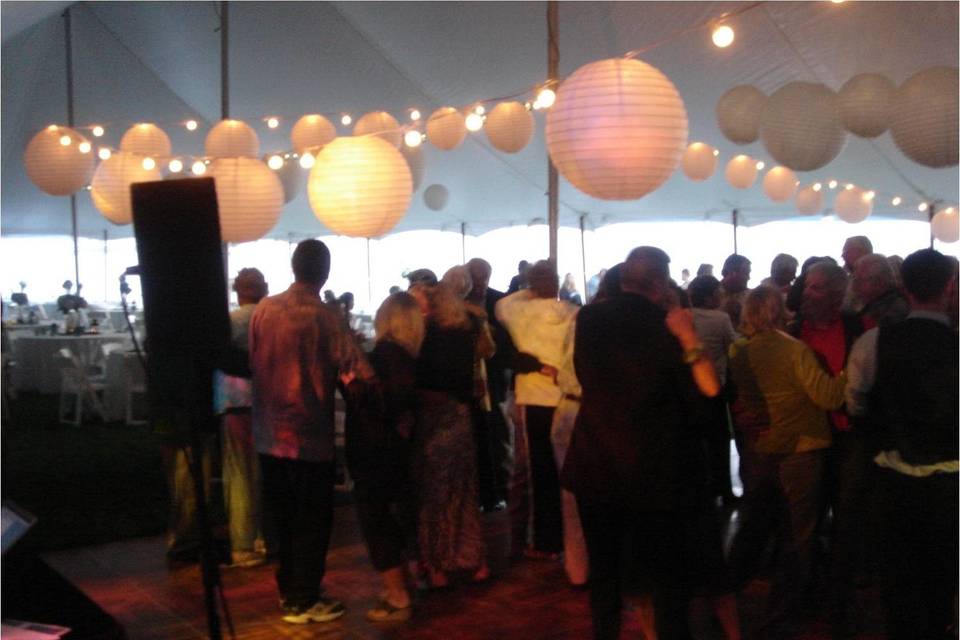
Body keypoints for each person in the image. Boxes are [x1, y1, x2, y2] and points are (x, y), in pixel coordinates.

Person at [562, 246, 722, 639]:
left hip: (596, 461)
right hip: (655, 469)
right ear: (660, 281)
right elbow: (703, 400)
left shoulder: (590, 317)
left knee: (605, 573)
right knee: (666, 577)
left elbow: (586, 375)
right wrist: (688, 338)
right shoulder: (668, 325)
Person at [249, 239, 373, 625]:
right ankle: (303, 599)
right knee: (312, 520)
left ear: (293, 266)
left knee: (281, 517)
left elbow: (252, 361)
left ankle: (289, 590)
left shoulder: (264, 310)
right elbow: (356, 375)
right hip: (308, 436)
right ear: (325, 271)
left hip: (268, 433)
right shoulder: (326, 317)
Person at [844, 248, 957, 639]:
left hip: (892, 481)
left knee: (899, 580)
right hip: (950, 485)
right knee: (944, 579)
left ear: (904, 288)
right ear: (950, 287)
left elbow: (855, 400)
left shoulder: (875, 342)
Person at [727, 286, 847, 636]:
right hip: (802, 449)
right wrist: (849, 373)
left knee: (757, 523)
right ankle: (782, 612)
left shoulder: (741, 351)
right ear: (779, 310)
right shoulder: (795, 350)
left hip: (762, 448)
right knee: (799, 533)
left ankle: (726, 592)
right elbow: (827, 397)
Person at [345, 292, 423, 622]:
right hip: (395, 449)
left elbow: (384, 402)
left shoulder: (386, 354)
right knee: (395, 516)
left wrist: (352, 385)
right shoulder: (406, 356)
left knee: (376, 519)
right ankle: (404, 581)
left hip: (374, 449)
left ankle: (397, 592)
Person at [496, 260, 578, 561]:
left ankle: (545, 541)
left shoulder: (518, 312)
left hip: (533, 399)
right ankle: (573, 540)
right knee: (568, 470)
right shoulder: (573, 314)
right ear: (556, 282)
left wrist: (530, 290)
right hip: (566, 397)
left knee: (540, 473)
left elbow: (502, 304)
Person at [413, 278, 489, 588]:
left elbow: (420, 380)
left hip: (434, 418)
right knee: (464, 490)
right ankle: (473, 558)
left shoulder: (427, 335)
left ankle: (436, 564)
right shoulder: (467, 330)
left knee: (434, 493)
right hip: (462, 414)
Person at [216, 268, 269, 569]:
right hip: (266, 402)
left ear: (237, 290)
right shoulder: (268, 319)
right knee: (262, 472)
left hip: (234, 403)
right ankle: (261, 537)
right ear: (263, 288)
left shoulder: (231, 322)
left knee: (239, 475)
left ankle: (243, 543)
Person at [688, 275, 738, 507]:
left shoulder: (685, 317)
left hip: (690, 388)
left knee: (698, 443)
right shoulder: (720, 318)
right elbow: (734, 347)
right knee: (719, 442)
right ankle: (725, 490)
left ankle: (702, 491)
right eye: (717, 292)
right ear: (709, 297)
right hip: (715, 385)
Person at [851, 253, 909, 330]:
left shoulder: (893, 313)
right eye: (854, 280)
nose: (855, 287)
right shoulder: (874, 305)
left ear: (880, 282)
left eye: (860, 281)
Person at [719, 254, 751, 328]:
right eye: (746, 273)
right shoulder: (711, 293)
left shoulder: (751, 296)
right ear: (733, 273)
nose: (749, 278)